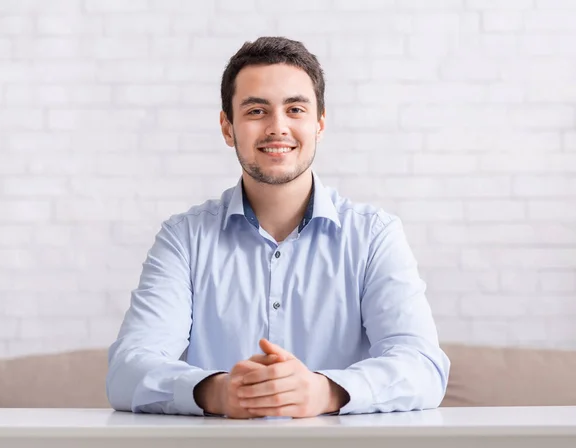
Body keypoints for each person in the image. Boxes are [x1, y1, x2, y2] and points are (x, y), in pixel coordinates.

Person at [106, 36, 450, 419]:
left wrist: (326, 392)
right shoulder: (184, 239)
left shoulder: (374, 236)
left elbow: (423, 365)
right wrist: (216, 392)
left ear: (319, 123)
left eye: (295, 109)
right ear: (227, 127)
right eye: (256, 111)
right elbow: (127, 368)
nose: (277, 127)